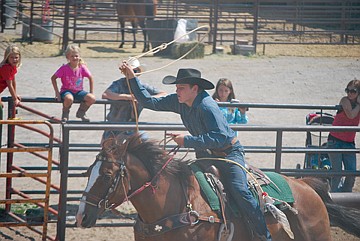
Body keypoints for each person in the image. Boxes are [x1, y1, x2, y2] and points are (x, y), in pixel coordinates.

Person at [120, 65, 272, 241]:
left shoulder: (207, 107)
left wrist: (187, 141)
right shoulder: (180, 101)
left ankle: (263, 235)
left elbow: (221, 137)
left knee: (239, 190)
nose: (177, 91)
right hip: (205, 154)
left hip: (229, 154)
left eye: (181, 88)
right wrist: (132, 78)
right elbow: (149, 102)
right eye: (177, 88)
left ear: (195, 89)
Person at [101, 59, 166, 141]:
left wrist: (145, 99)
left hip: (132, 127)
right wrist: (127, 97)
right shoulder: (119, 83)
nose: (131, 73)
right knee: (108, 147)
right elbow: (106, 94)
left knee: (144, 141)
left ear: (139, 72)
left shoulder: (142, 86)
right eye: (130, 70)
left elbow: (163, 94)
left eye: (134, 71)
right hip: (115, 126)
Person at [327, 78, 360, 192]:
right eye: (348, 90)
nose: (349, 93)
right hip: (335, 141)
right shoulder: (344, 100)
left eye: (353, 91)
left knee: (351, 174)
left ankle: (345, 199)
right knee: (337, 173)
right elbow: (351, 115)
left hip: (349, 142)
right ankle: (334, 200)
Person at [51, 45, 96, 122]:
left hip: (79, 91)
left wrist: (91, 92)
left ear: (79, 56)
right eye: (72, 56)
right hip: (66, 90)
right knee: (69, 99)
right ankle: (65, 112)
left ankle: (81, 112)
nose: (75, 58)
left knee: (92, 98)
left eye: (76, 56)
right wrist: (57, 93)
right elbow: (53, 78)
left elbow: (90, 77)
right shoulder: (64, 68)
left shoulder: (82, 67)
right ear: (68, 57)